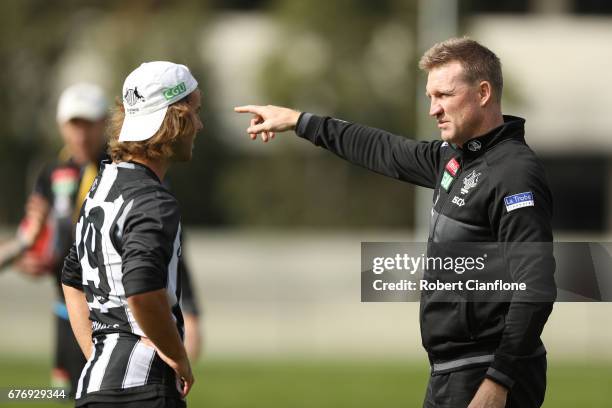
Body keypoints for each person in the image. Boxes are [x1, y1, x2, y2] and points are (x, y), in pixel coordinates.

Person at [235, 37, 556, 408]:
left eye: (444, 95)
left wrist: (499, 380)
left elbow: (536, 287)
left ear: (483, 92)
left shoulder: (514, 174)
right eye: (430, 97)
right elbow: (383, 149)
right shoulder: (455, 159)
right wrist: (300, 121)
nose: (434, 109)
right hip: (453, 371)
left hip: (486, 374)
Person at [0, 82, 203, 398]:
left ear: (104, 123)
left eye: (89, 123)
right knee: (67, 393)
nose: (81, 134)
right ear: (61, 125)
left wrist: (187, 309)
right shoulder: (53, 173)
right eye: (73, 124)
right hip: (73, 312)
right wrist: (29, 250)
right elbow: (70, 266)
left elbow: (163, 257)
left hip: (121, 326)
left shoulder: (124, 171)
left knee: (96, 389)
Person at [61, 61, 202, 407]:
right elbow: (142, 290)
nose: (200, 124)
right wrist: (178, 356)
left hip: (93, 388)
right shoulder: (154, 200)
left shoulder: (103, 184)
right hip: (142, 391)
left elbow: (71, 279)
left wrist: (99, 355)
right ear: (177, 120)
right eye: (195, 112)